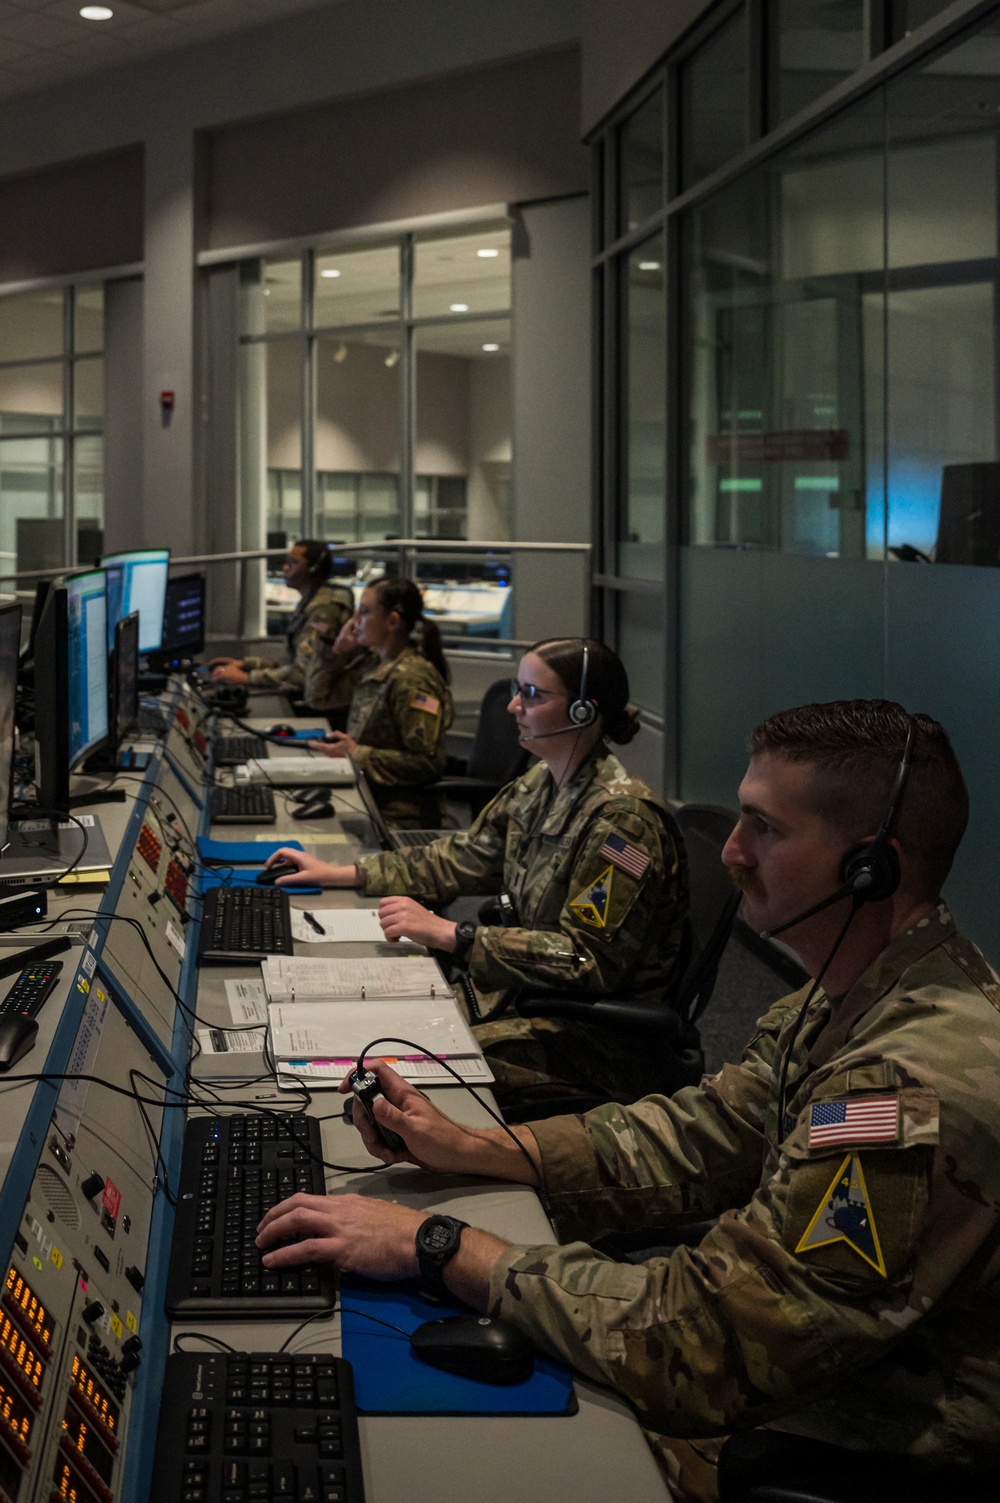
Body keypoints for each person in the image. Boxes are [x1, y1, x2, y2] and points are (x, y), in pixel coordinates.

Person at [256, 701, 1000, 1502]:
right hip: (798, 1377)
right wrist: (485, 1148)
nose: (732, 851)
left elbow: (712, 1343)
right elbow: (709, 1128)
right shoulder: (854, 994)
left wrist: (442, 1245)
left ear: (869, 868)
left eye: (766, 829)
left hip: (848, 1434)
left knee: (483, 1468)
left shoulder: (904, 1088)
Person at [267, 637, 690, 1109]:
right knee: (372, 1033)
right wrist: (343, 872)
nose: (514, 705)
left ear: (582, 714)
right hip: (520, 995)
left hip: (593, 1039)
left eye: (532, 694)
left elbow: (586, 959)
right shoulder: (542, 782)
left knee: (388, 1073)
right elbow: (462, 856)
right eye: (517, 689)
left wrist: (457, 935)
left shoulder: (622, 822)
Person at [305, 576, 454, 828]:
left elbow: (428, 763)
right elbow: (318, 697)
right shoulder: (374, 664)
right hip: (367, 798)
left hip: (399, 816)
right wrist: (338, 652)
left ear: (392, 621)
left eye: (363, 613)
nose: (354, 623)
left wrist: (356, 754)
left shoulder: (411, 678)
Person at [207, 539, 355, 711]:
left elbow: (301, 674)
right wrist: (248, 664)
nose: (285, 567)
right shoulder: (313, 600)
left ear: (314, 568)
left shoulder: (322, 612)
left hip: (318, 703)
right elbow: (292, 662)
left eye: (293, 562)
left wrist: (248, 678)